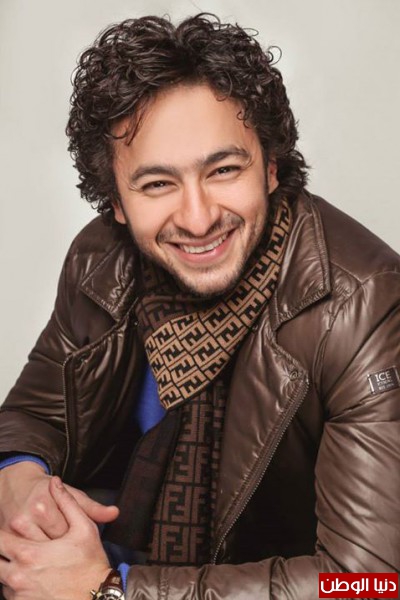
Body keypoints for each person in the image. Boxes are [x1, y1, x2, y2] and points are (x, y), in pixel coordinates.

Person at [0, 13, 399, 600]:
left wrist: (112, 589)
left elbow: (371, 583)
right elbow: (37, 413)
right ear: (116, 201)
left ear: (271, 165)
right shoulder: (100, 259)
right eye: (157, 184)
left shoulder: (364, 304)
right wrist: (18, 477)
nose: (198, 217)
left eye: (224, 170)